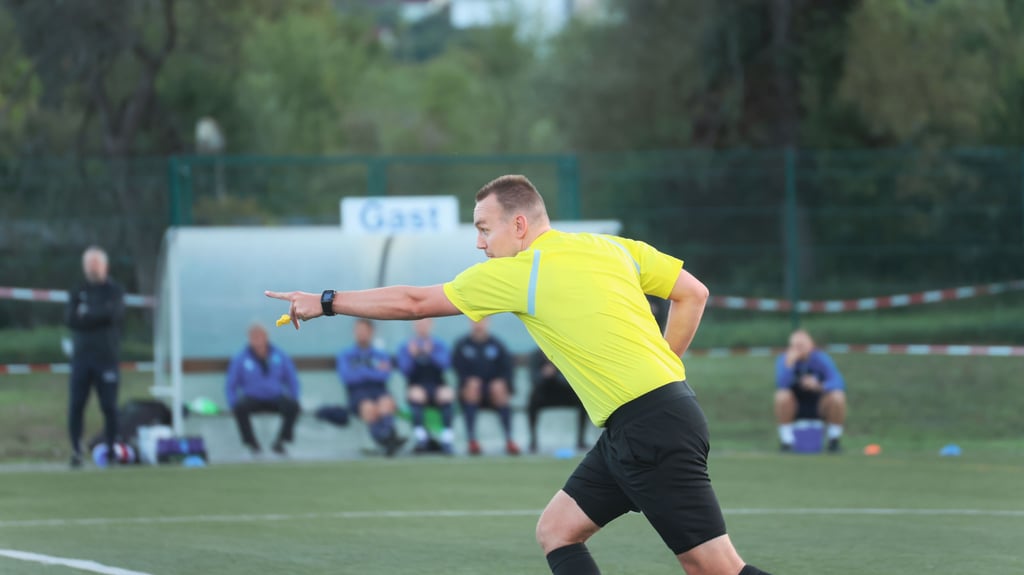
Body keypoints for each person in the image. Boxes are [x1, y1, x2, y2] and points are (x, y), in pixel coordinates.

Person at [266, 174, 773, 575]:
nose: (480, 244)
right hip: (643, 422)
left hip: (651, 425)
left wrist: (326, 302)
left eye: (484, 229)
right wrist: (664, 368)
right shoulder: (613, 247)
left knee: (714, 568)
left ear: (520, 227)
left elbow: (415, 302)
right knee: (557, 530)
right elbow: (694, 294)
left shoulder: (521, 272)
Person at [66, 246, 124, 469]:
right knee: (76, 405)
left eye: (95, 264)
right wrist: (97, 314)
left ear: (104, 266)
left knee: (109, 406)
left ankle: (111, 450)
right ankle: (76, 450)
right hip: (81, 359)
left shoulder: (114, 291)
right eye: (88, 265)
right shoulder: (77, 290)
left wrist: (88, 314)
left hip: (106, 358)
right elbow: (71, 319)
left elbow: (112, 315)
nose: (91, 269)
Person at [225, 324, 301, 455]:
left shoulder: (279, 355)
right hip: (252, 398)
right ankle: (252, 444)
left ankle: (281, 441)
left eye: (260, 337)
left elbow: (292, 378)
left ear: (266, 337)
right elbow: (231, 383)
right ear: (249, 339)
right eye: (254, 337)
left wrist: (294, 396)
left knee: (293, 406)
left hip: (275, 397)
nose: (257, 340)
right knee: (239, 408)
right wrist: (232, 402)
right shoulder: (241, 358)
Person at [336, 318, 406, 456]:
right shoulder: (346, 355)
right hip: (357, 394)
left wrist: (360, 371)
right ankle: (386, 440)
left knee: (386, 403)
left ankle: (387, 439)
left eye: (364, 330)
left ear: (371, 332)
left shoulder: (380, 354)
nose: (361, 334)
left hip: (379, 391)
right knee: (368, 407)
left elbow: (385, 375)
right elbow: (347, 377)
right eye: (358, 330)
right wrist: (370, 370)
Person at [451, 317, 519, 456]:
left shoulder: (497, 344)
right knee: (472, 387)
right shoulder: (462, 345)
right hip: (472, 392)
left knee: (499, 388)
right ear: (470, 322)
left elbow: (507, 370)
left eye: (482, 320)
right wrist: (468, 381)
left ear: (488, 322)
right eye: (475, 320)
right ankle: (472, 441)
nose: (479, 324)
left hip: (492, 392)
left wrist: (501, 382)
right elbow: (458, 371)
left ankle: (509, 439)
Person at [775, 328, 847, 453]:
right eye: (795, 346)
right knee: (781, 396)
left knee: (838, 396)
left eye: (802, 345)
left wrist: (819, 385)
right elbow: (781, 384)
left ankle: (833, 440)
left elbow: (838, 382)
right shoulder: (785, 360)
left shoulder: (821, 359)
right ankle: (787, 442)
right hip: (795, 405)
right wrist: (789, 365)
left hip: (819, 404)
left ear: (811, 345)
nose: (798, 349)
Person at [396, 318, 456, 454]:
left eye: (425, 324)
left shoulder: (438, 344)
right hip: (416, 385)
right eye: (419, 324)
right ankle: (421, 438)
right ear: (414, 325)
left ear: (431, 325)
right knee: (416, 394)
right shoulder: (407, 346)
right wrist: (413, 355)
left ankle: (447, 439)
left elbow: (445, 365)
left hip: (437, 385)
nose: (422, 327)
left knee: (447, 395)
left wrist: (430, 353)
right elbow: (405, 370)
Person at [527, 348, 588, 454]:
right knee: (532, 401)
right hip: (545, 395)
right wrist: (545, 376)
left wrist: (555, 374)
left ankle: (581, 440)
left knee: (584, 402)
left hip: (565, 394)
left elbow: (572, 380)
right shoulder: (535, 356)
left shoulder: (564, 354)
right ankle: (533, 442)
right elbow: (534, 380)